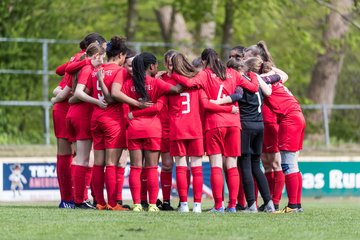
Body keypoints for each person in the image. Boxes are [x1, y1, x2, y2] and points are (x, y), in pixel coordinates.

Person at [171, 48, 259, 212]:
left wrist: (173, 74)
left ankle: (219, 205)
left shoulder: (205, 74)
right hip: (233, 123)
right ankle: (232, 205)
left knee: (216, 166)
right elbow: (253, 88)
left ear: (204, 61)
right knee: (232, 165)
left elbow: (189, 83)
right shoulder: (233, 73)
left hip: (214, 123)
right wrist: (253, 73)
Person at [246, 46, 305, 213]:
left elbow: (268, 91)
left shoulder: (262, 79)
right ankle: (296, 204)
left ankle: (293, 205)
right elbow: (283, 75)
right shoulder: (272, 76)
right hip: (296, 116)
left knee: (288, 164)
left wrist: (256, 78)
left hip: (289, 119)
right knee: (292, 164)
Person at [213, 58, 276, 213]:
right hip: (259, 125)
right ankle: (269, 203)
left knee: (245, 165)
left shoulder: (239, 82)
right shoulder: (255, 79)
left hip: (246, 126)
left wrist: (217, 102)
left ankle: (252, 205)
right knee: (256, 166)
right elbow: (276, 77)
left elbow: (237, 96)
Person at [52, 33, 106, 209]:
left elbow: (61, 74)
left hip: (72, 108)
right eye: (103, 47)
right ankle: (71, 198)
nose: (105, 51)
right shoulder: (83, 60)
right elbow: (65, 77)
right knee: (71, 155)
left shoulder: (82, 60)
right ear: (95, 47)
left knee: (79, 155)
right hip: (69, 109)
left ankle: (76, 197)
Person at [123, 52, 181, 212]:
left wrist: (134, 114)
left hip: (134, 129)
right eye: (156, 65)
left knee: (135, 168)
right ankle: (153, 205)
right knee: (152, 168)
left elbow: (122, 103)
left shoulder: (128, 84)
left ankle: (136, 204)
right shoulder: (157, 83)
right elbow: (176, 90)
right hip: (153, 129)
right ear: (151, 66)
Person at [244, 41, 288, 211]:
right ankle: (268, 200)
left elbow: (284, 76)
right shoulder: (253, 76)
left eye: (248, 57)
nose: (245, 60)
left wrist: (269, 68)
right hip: (261, 120)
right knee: (266, 162)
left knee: (275, 161)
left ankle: (275, 201)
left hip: (271, 120)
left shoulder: (266, 75)